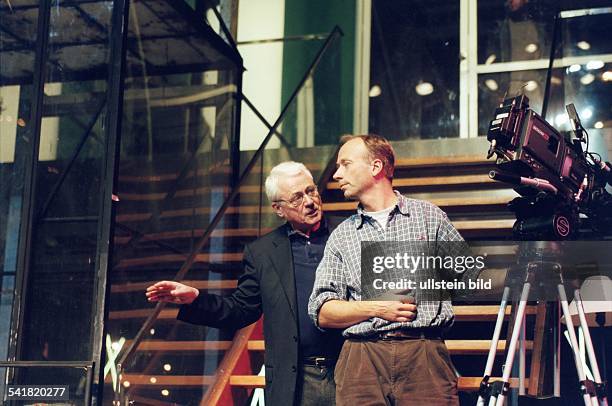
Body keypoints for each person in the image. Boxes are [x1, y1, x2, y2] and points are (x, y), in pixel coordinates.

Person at [146, 161, 344, 405]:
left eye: (310, 190)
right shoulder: (262, 253)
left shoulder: (349, 232)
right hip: (296, 379)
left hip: (351, 368)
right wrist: (196, 298)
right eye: (296, 198)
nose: (310, 201)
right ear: (278, 209)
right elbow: (240, 310)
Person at [308, 134, 478, 406]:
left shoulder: (428, 216)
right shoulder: (342, 235)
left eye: (346, 164)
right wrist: (377, 307)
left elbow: (468, 275)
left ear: (375, 167)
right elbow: (322, 312)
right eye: (337, 166)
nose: (337, 174)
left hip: (423, 355)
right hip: (362, 359)